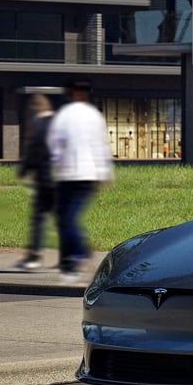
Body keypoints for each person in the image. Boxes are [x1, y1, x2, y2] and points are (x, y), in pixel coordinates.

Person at [47, 79, 114, 274]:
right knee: (64, 217)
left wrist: (57, 165)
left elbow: (56, 144)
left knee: (66, 217)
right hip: (80, 174)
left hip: (75, 174)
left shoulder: (66, 115)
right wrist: (104, 172)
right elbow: (101, 145)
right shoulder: (92, 116)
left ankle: (81, 253)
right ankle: (68, 258)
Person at [15, 93, 56, 270]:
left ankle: (34, 257)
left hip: (45, 178)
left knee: (38, 219)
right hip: (62, 177)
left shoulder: (38, 124)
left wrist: (24, 170)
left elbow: (34, 151)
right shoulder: (58, 123)